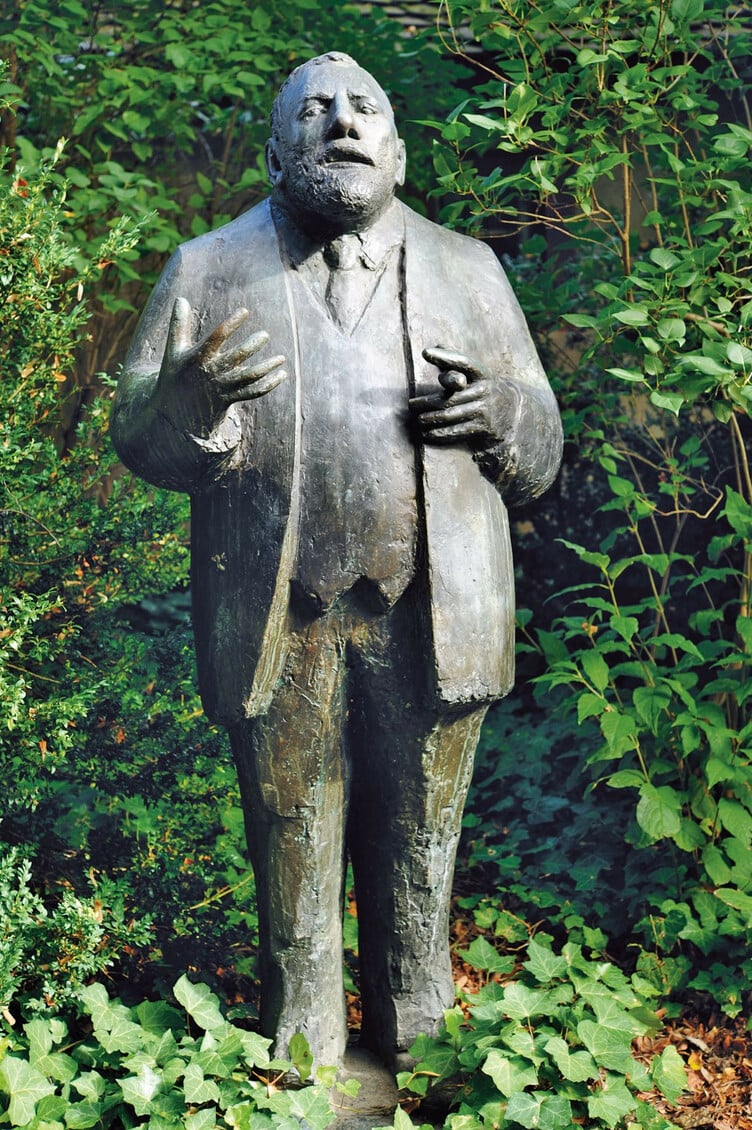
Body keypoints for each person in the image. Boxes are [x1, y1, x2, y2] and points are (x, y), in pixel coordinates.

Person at [111, 51, 562, 1073]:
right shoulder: (206, 268)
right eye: (313, 112)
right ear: (275, 156)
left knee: (420, 837)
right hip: (275, 608)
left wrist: (502, 417)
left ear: (396, 151)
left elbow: (540, 439)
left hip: (433, 609)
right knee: (289, 825)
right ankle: (301, 1036)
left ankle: (419, 1024)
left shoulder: (468, 268)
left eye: (363, 109)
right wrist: (188, 404)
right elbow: (134, 427)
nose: (341, 123)